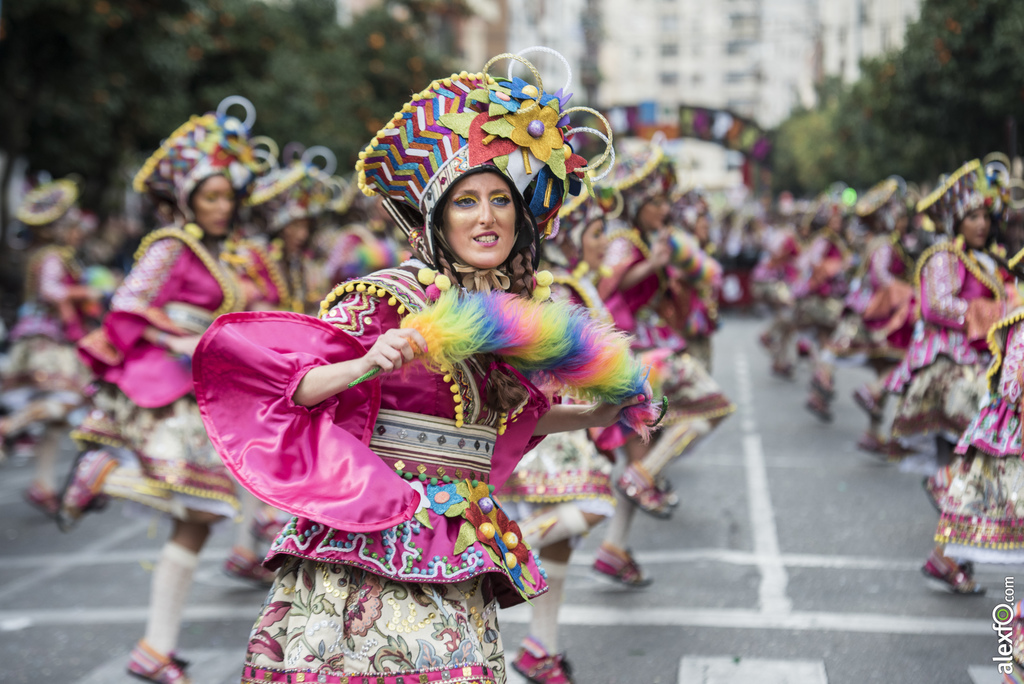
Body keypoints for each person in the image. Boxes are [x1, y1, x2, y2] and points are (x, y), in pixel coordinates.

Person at [192, 51, 648, 684]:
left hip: (462, 537)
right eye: (466, 202)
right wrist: (363, 365)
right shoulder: (391, 297)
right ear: (439, 216)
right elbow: (295, 388)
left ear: (521, 218)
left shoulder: (513, 315)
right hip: (375, 534)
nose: (485, 217)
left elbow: (510, 424)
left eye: (499, 200)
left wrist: (599, 412)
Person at [57, 97, 262, 683]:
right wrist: (176, 338)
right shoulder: (170, 243)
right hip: (167, 385)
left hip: (200, 381)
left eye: (227, 196)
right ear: (188, 198)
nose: (222, 206)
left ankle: (154, 649)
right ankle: (105, 476)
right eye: (211, 196)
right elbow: (127, 303)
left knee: (197, 521)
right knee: (201, 504)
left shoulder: (213, 251)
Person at [592, 140, 734, 587]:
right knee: (712, 404)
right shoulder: (621, 242)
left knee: (640, 452)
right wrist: (648, 265)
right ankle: (645, 476)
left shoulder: (654, 240)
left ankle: (615, 548)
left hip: (648, 346)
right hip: (633, 352)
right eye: (655, 202)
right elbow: (604, 286)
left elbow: (708, 275)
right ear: (636, 204)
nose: (663, 208)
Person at [500, 186, 620, 683]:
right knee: (595, 505)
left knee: (561, 550)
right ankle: (487, 557)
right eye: (597, 233)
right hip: (536, 434)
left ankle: (539, 647)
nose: (605, 243)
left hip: (558, 426)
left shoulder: (570, 286)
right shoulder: (558, 288)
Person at [885, 160, 1015, 463]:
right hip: (950, 357)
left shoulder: (989, 260)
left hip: (986, 355)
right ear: (957, 222)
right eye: (973, 217)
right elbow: (936, 305)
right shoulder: (943, 256)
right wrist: (990, 313)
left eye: (985, 216)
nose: (982, 224)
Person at [1, 178, 100, 513]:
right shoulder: (53, 256)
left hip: (46, 338)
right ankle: (8, 427)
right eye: (71, 226)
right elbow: (51, 291)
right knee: (71, 399)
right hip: (49, 341)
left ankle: (42, 484)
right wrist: (85, 293)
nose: (76, 232)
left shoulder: (47, 254)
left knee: (58, 419)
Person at [805, 178, 916, 454]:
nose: (903, 221)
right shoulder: (884, 243)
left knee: (866, 360)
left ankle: (873, 430)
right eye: (899, 216)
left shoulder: (880, 241)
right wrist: (907, 292)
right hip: (876, 312)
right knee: (893, 363)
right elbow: (881, 276)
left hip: (864, 308)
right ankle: (858, 393)